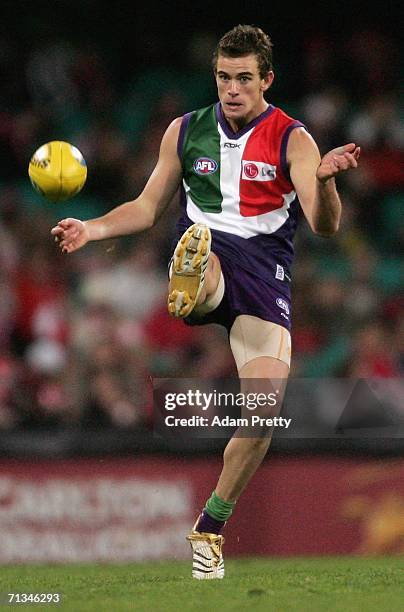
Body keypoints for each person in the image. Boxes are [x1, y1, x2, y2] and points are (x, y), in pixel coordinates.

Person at [51, 24, 360, 579]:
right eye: (223, 77)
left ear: (267, 79)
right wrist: (91, 230)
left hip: (267, 272)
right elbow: (147, 208)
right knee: (204, 258)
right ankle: (195, 281)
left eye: (244, 78)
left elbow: (324, 225)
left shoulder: (294, 139)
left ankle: (209, 528)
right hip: (210, 245)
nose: (232, 89)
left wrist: (329, 180)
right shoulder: (185, 130)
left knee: (263, 416)